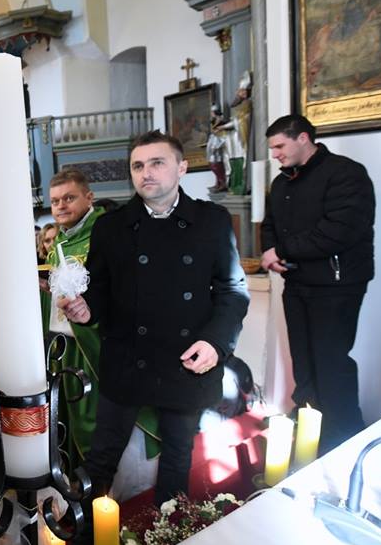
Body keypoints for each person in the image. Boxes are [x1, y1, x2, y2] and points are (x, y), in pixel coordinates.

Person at [66, 130, 248, 512]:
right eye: (137, 165)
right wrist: (86, 310)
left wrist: (215, 343)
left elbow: (232, 290)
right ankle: (80, 538)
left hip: (186, 359)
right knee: (101, 458)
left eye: (157, 163)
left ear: (181, 168)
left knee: (178, 457)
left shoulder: (211, 221)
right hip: (127, 359)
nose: (145, 172)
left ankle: (167, 535)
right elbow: (97, 290)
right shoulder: (111, 227)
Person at [260, 115, 375, 453]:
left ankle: (345, 434)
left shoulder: (346, 173)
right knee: (303, 360)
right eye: (272, 148)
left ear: (303, 138)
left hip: (337, 284)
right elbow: (270, 225)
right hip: (297, 282)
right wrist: (272, 252)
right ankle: (309, 421)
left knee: (331, 362)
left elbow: (338, 231)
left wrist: (281, 250)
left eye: (280, 146)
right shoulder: (281, 183)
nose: (275, 154)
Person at [39, 170, 111, 470]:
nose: (61, 206)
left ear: (89, 197)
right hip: (62, 344)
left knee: (89, 414)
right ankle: (69, 474)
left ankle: (95, 479)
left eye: (69, 198)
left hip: (92, 342)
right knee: (64, 414)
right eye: (55, 201)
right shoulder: (60, 239)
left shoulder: (105, 233)